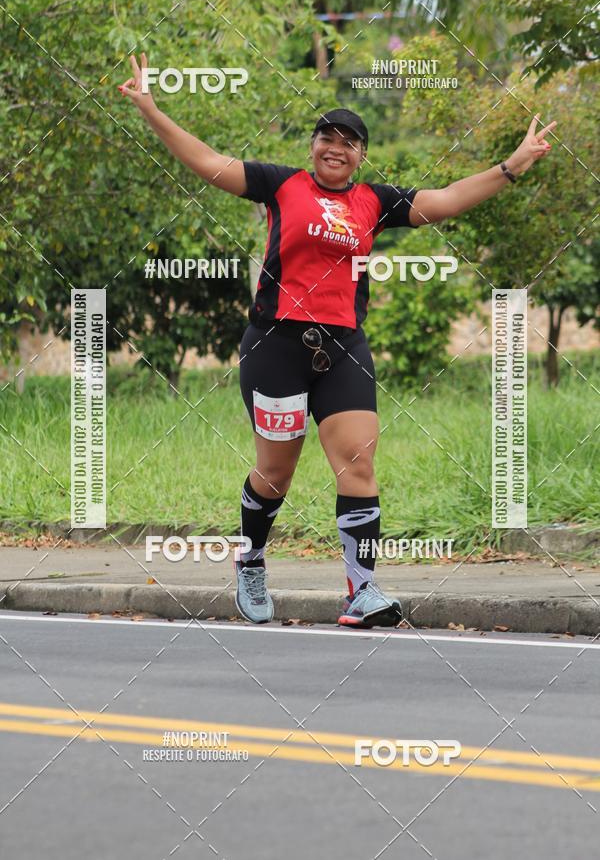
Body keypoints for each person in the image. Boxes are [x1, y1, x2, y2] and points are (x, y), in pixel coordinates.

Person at [119, 53, 556, 627]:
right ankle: (250, 559)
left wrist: (513, 166)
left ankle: (362, 590)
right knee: (276, 472)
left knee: (358, 465)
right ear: (313, 145)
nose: (337, 147)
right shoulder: (281, 185)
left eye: (349, 141)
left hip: (344, 347)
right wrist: (150, 107)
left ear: (360, 155)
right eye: (328, 136)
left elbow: (446, 198)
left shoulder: (375, 202)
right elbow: (207, 162)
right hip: (275, 346)